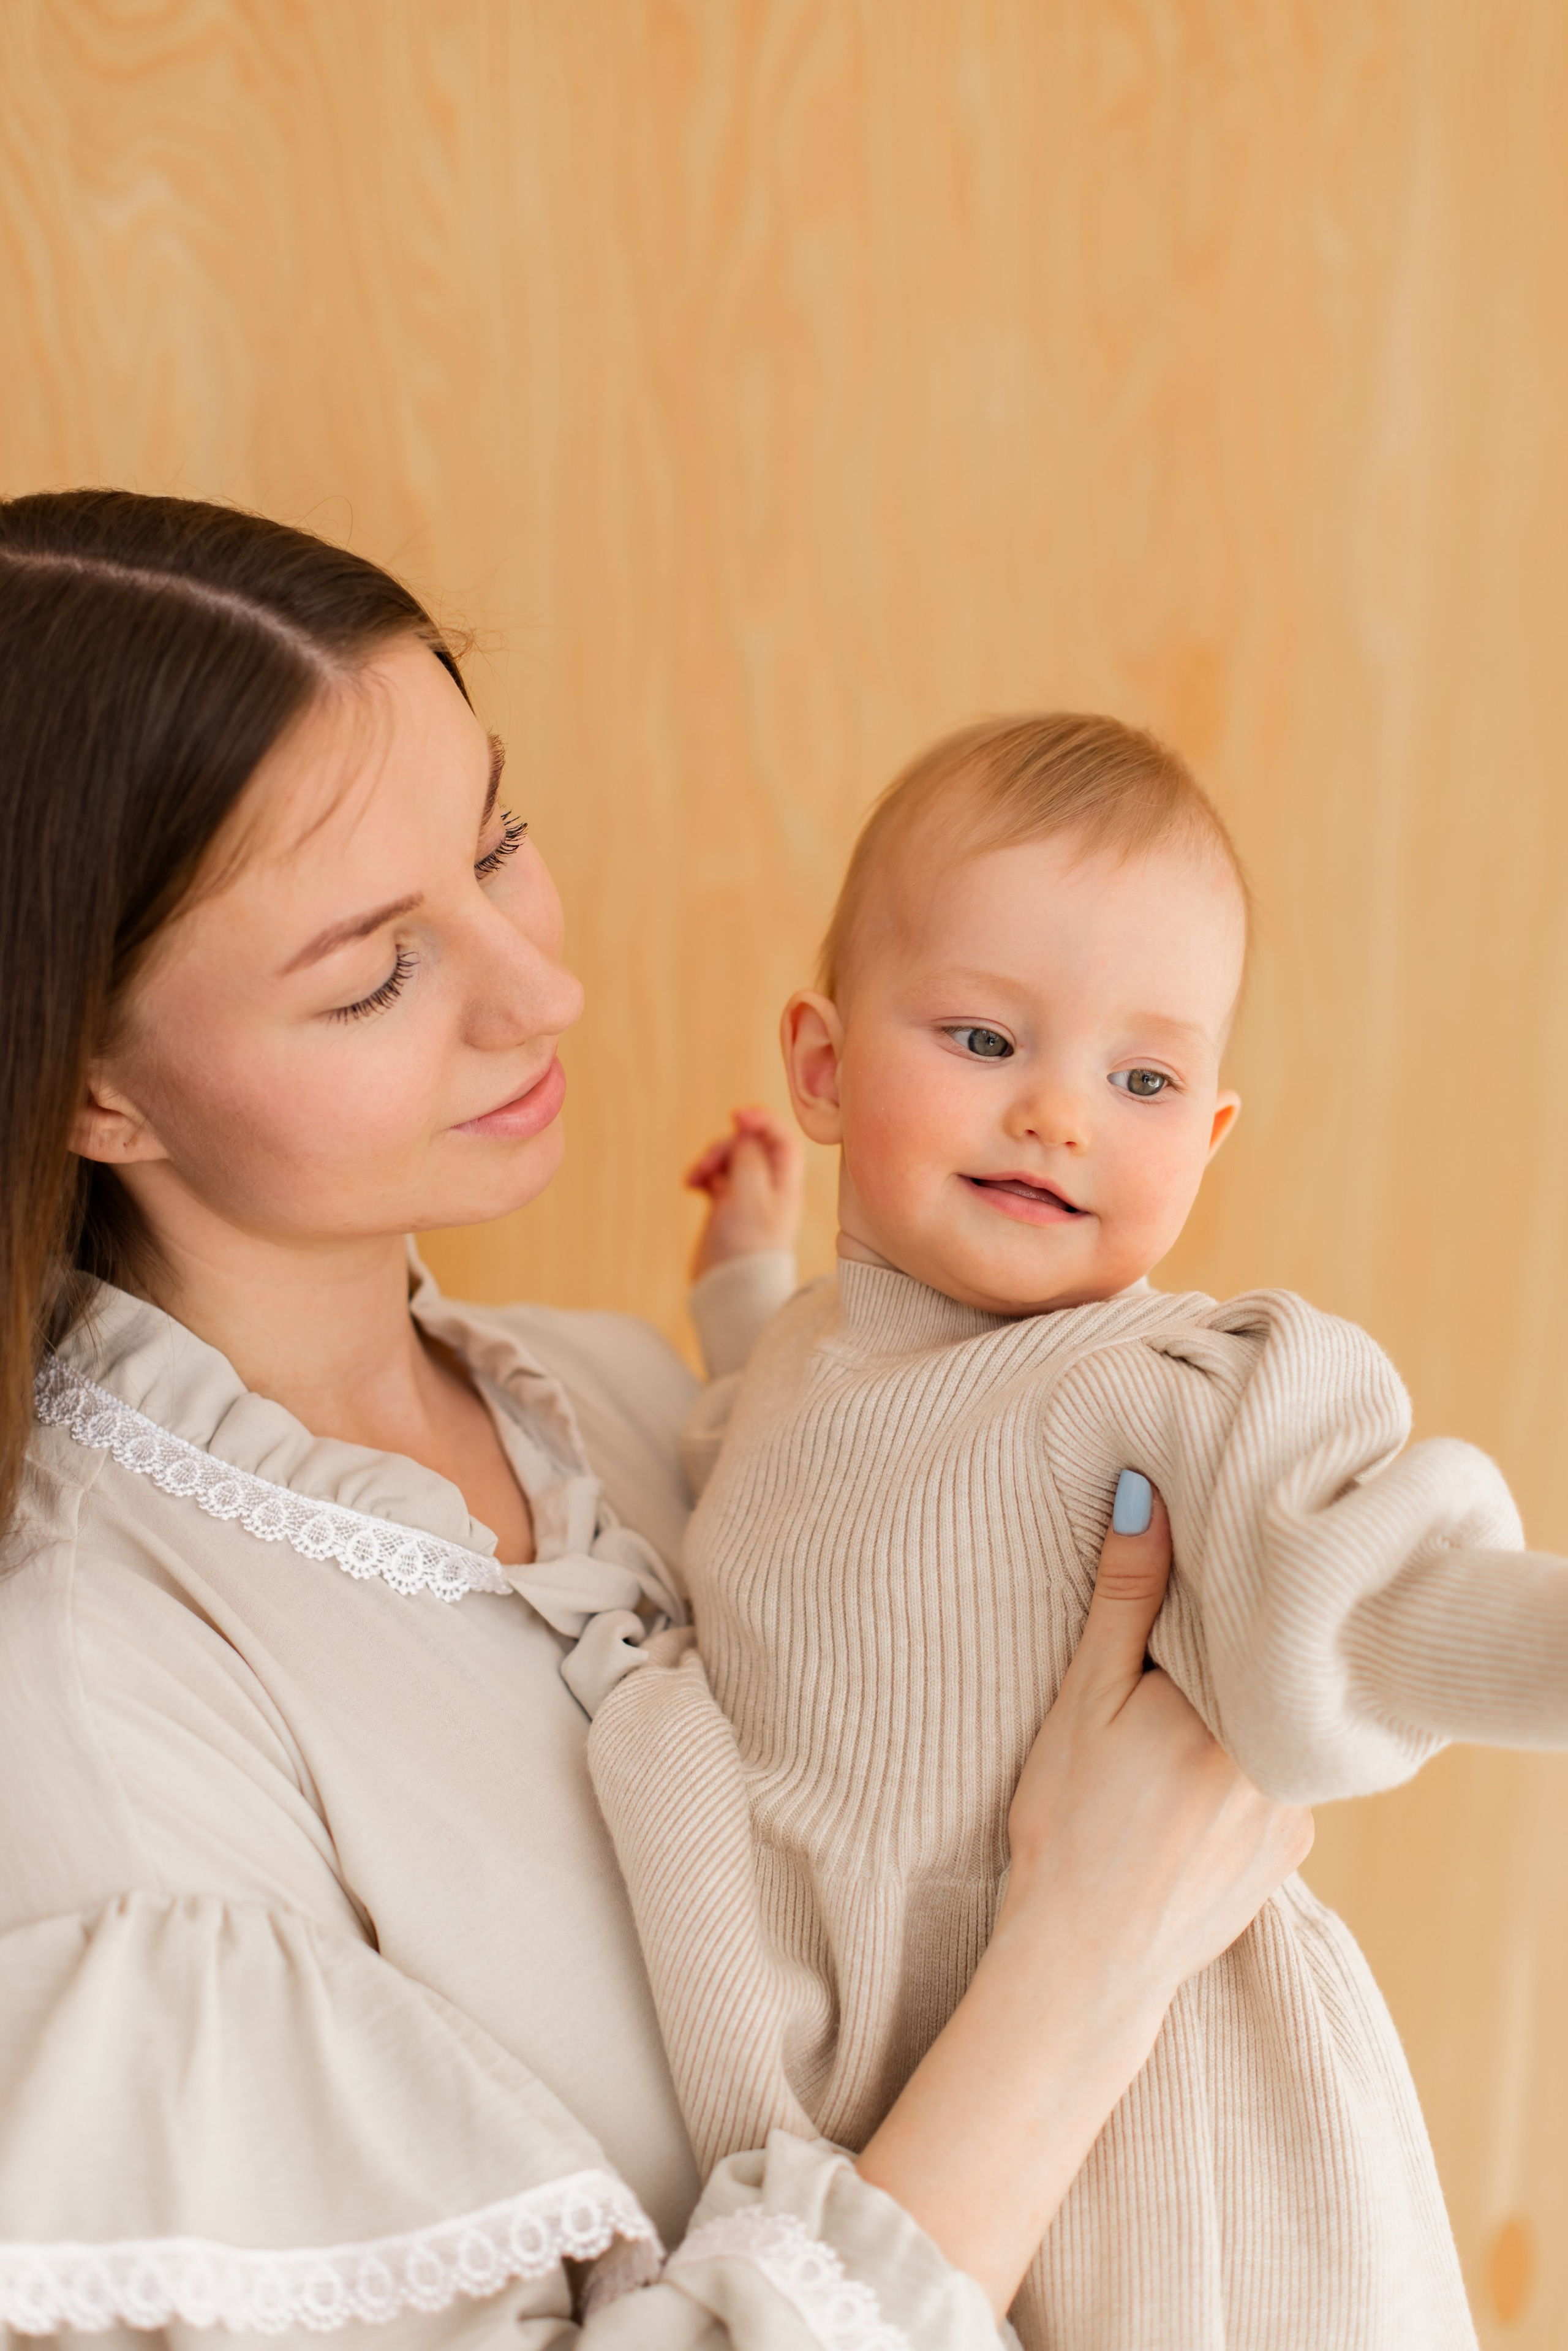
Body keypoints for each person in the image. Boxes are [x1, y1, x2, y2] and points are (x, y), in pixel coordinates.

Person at [0, 493, 1310, 2351]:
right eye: (379, 968)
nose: (548, 989)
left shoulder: (631, 1406)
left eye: (499, 841)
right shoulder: (96, 1732)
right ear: (99, 1087)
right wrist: (1091, 1954)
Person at [586, 715, 1568, 2351]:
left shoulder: (1163, 1394)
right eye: (984, 1041)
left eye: (1142, 1079)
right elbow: (768, 1409)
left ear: (1210, 1136)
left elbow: (1378, 1597)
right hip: (915, 2106)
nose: (1060, 1115)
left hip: (1159, 2124)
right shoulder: (824, 1350)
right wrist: (741, 1254)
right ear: (824, 1068)